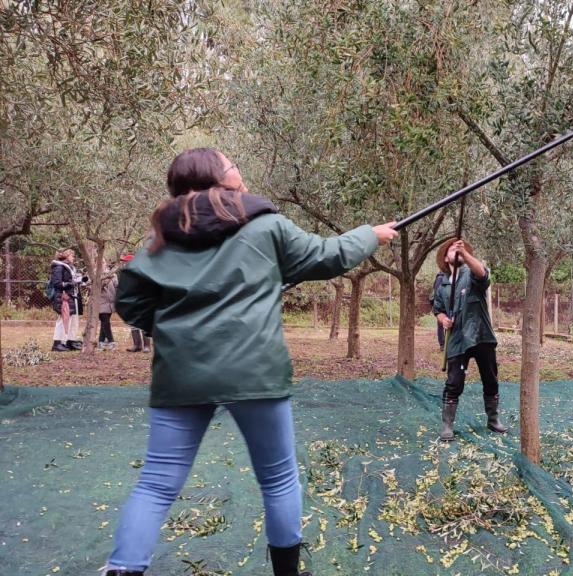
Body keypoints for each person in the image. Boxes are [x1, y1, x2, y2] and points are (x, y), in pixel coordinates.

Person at [102, 147, 398, 576]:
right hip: (254, 370)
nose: (238, 169)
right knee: (278, 478)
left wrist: (179, 329)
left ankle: (122, 569)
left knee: (157, 482)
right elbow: (325, 255)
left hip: (180, 374)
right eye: (231, 164)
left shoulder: (157, 240)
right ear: (218, 179)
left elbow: (131, 303)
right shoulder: (266, 226)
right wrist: (369, 235)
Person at [433, 238, 506, 441]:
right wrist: (443, 319)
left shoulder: (471, 273)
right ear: (445, 258)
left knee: (490, 379)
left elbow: (483, 275)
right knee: (454, 383)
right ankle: (447, 425)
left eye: (459, 249)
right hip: (457, 339)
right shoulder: (442, 283)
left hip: (482, 335)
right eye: (452, 250)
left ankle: (493, 419)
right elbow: (437, 308)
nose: (456, 251)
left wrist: (464, 253)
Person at [49, 248, 88, 351]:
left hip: (72, 296)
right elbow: (57, 283)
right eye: (72, 256)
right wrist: (72, 283)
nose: (73, 258)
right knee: (63, 320)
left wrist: (80, 280)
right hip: (63, 297)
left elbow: (71, 280)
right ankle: (57, 343)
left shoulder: (70, 267)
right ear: (65, 256)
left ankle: (70, 341)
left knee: (73, 319)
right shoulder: (58, 267)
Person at [98, 262, 118, 351]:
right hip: (100, 302)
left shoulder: (112, 274)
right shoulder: (93, 274)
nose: (102, 264)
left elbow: (116, 286)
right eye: (100, 262)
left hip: (110, 303)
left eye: (103, 262)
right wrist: (105, 281)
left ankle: (100, 342)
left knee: (104, 323)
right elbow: (93, 288)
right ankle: (111, 341)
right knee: (106, 322)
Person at [431, 270, 446, 350]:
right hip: (441, 305)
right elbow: (437, 293)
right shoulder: (440, 278)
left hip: (445, 304)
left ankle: (445, 344)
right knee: (441, 324)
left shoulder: (445, 276)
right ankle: (442, 344)